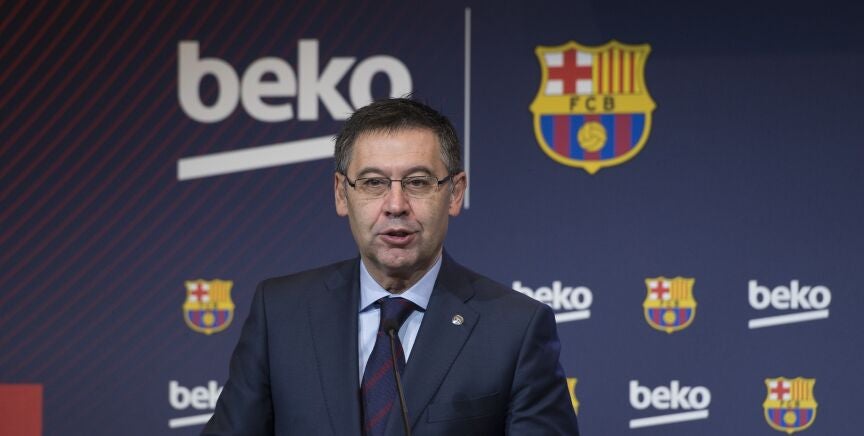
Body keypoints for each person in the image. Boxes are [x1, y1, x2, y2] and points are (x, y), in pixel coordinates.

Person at [202, 98, 579, 435]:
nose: (396, 205)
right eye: (373, 183)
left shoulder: (515, 330)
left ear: (455, 192)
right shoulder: (281, 313)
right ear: (341, 194)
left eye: (417, 182)